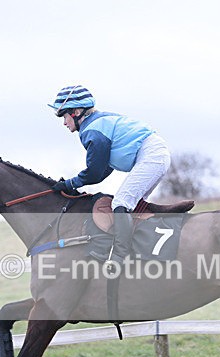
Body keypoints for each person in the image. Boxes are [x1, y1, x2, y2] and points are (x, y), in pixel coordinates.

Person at [49, 85, 171, 264]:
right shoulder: (98, 122)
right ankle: (142, 251)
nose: (64, 122)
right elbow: (102, 170)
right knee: (133, 206)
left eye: (64, 116)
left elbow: (94, 172)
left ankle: (119, 257)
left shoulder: (92, 130)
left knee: (121, 202)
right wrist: (74, 183)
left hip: (151, 155)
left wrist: (70, 184)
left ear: (76, 112)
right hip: (154, 154)